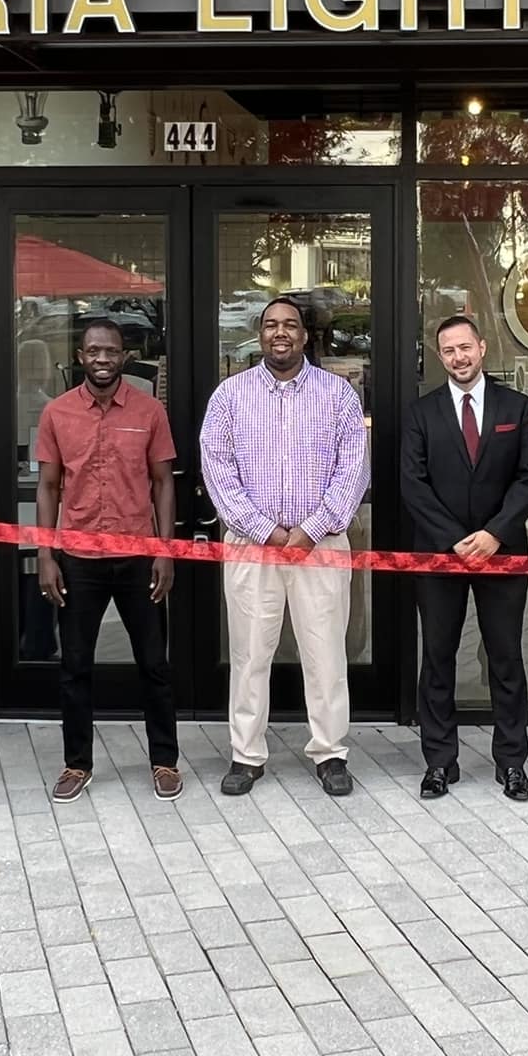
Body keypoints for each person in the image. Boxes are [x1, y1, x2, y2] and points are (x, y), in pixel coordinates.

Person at [199, 296, 369, 798]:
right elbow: (218, 470)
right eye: (271, 325)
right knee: (250, 654)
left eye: (290, 325)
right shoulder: (229, 396)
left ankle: (331, 752)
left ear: (304, 335)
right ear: (259, 334)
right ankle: (246, 755)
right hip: (254, 546)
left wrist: (312, 529)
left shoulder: (338, 395)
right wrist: (265, 530)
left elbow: (353, 470)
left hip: (321, 546)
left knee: (326, 654)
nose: (280, 333)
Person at [400, 315, 528, 802]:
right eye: (448, 351)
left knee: (505, 659)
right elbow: (412, 485)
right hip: (440, 557)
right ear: (440, 357)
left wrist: (493, 535)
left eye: (466, 347)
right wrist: (457, 540)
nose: (459, 357)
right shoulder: (421, 412)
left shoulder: (515, 406)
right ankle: (440, 762)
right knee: (437, 659)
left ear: (482, 348)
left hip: (501, 555)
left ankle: (512, 763)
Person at [36, 320, 180, 803]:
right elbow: (48, 487)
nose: (103, 359)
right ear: (81, 356)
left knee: (154, 664)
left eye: (112, 351)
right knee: (75, 666)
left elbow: (163, 483)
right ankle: (77, 764)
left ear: (125, 356)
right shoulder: (57, 413)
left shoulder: (149, 410)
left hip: (139, 556)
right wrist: (45, 553)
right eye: (94, 351)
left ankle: (164, 760)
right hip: (77, 558)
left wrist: (164, 551)